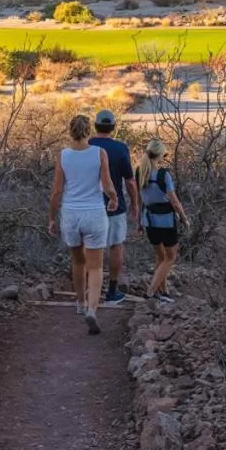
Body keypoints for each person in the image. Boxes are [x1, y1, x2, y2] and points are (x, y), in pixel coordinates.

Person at [48, 114, 118, 335]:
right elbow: (107, 184)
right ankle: (92, 309)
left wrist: (51, 217)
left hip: (71, 214)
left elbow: (57, 190)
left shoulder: (63, 156)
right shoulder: (99, 153)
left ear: (70, 132)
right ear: (89, 131)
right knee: (95, 266)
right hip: (94, 213)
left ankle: (80, 302)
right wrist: (114, 198)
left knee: (78, 261)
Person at [89, 109, 141, 305]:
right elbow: (130, 181)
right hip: (114, 206)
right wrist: (135, 203)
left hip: (89, 205)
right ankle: (112, 291)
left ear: (95, 126)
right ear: (113, 127)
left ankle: (88, 291)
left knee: (90, 248)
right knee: (115, 246)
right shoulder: (120, 148)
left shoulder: (86, 146)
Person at [135, 139, 188, 303]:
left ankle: (163, 291)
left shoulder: (139, 172)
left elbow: (139, 200)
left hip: (149, 221)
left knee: (160, 257)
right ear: (160, 155)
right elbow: (174, 201)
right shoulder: (163, 175)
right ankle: (151, 292)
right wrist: (184, 218)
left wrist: (139, 222)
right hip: (166, 222)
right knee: (170, 257)